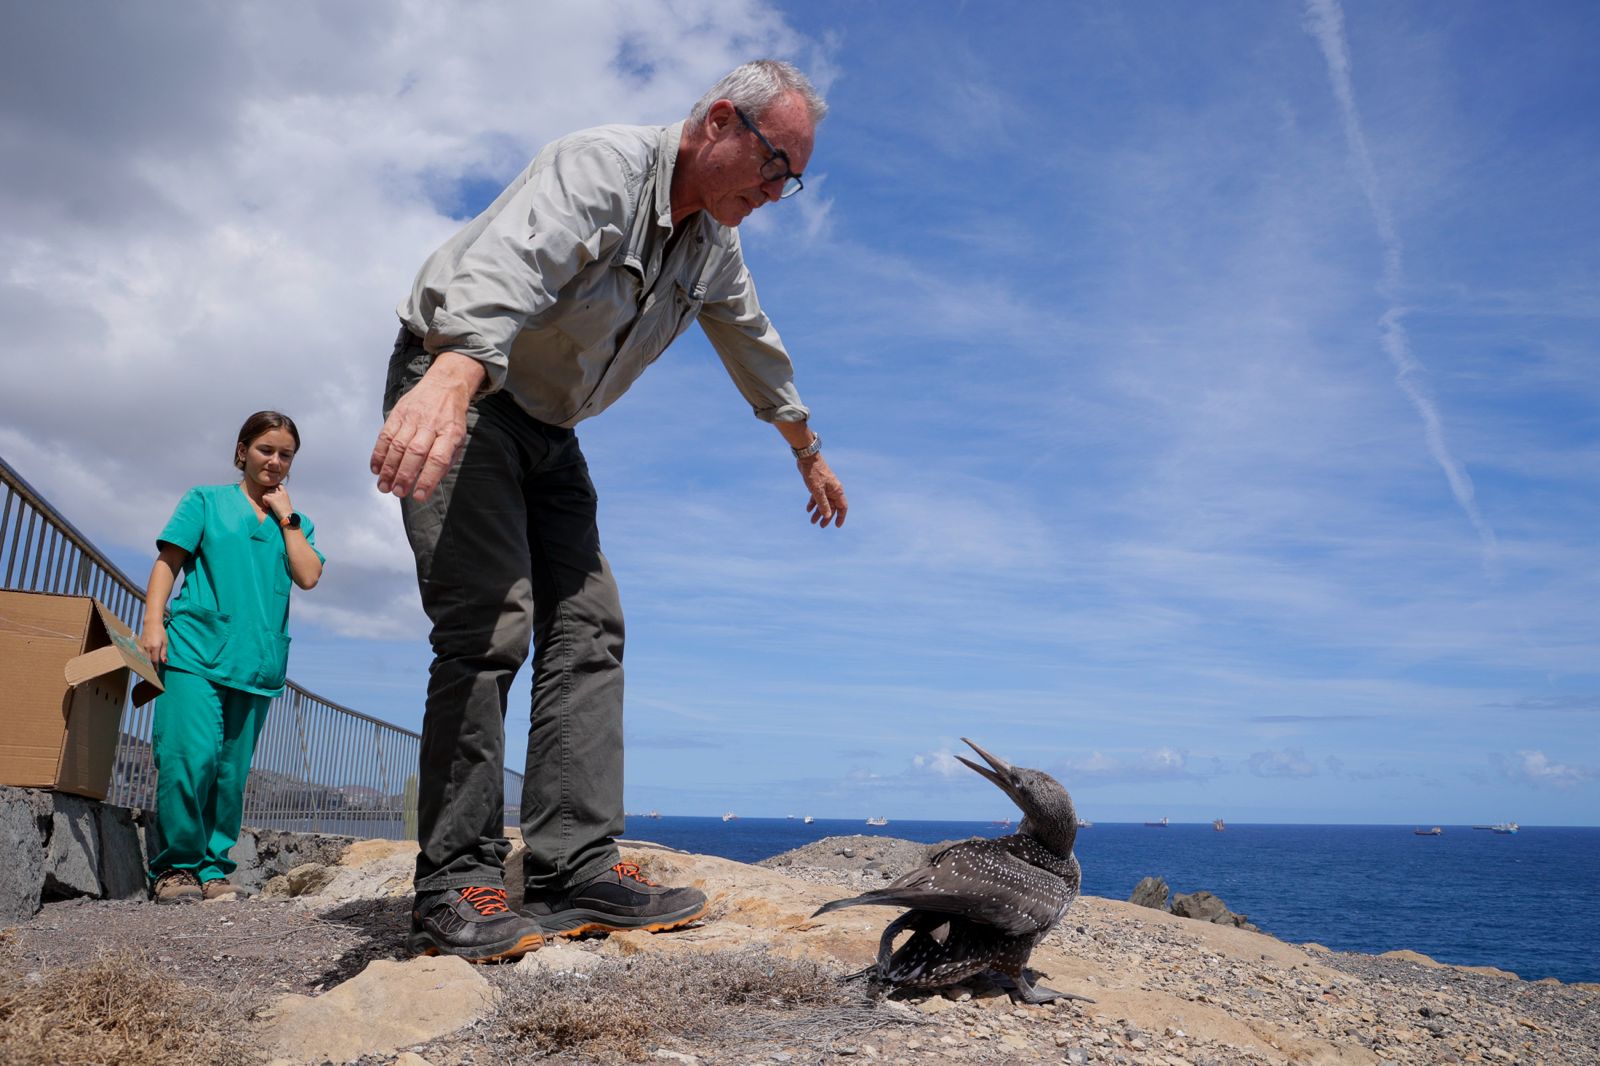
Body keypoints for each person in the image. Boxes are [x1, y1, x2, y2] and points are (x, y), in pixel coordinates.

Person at [371, 59, 847, 963]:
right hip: (467, 383)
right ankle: (455, 881)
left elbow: (754, 341)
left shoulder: (712, 246)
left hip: (550, 430)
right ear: (720, 121)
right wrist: (457, 369)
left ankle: (573, 865)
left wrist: (806, 450)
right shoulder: (603, 168)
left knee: (591, 626)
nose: (776, 193)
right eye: (775, 165)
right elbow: (512, 261)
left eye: (792, 178)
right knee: (488, 624)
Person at [140, 411, 325, 903]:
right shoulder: (205, 500)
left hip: (257, 663)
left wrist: (287, 519)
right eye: (266, 449)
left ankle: (213, 869)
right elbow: (168, 562)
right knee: (188, 758)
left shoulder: (296, 524)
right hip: (195, 650)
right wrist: (153, 622)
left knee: (230, 775)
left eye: (286, 454)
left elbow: (308, 576)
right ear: (242, 451)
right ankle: (175, 867)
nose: (275, 461)